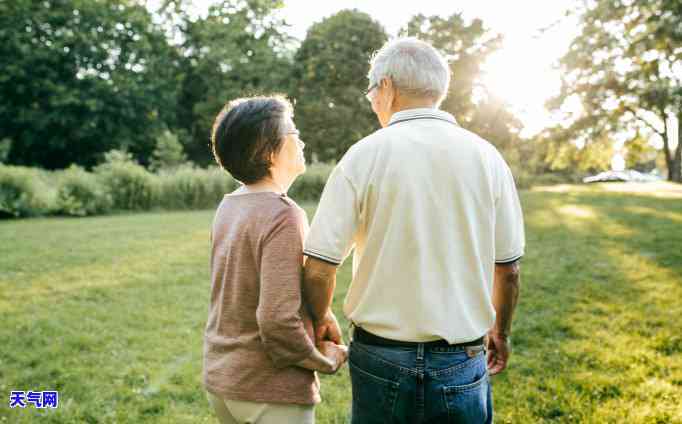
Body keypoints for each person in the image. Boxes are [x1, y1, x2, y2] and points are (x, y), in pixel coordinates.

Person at [302, 38, 525, 423]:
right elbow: (508, 270)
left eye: (371, 90)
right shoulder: (487, 157)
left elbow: (320, 267)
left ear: (386, 87)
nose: (372, 101)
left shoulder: (363, 155)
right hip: (462, 356)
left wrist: (319, 317)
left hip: (380, 357)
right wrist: (501, 333)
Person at [203, 95, 348, 424]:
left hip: (223, 381)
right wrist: (321, 361)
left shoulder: (229, 205)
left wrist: (321, 314)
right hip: (267, 390)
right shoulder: (283, 214)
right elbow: (277, 321)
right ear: (268, 151)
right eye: (293, 131)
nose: (302, 139)